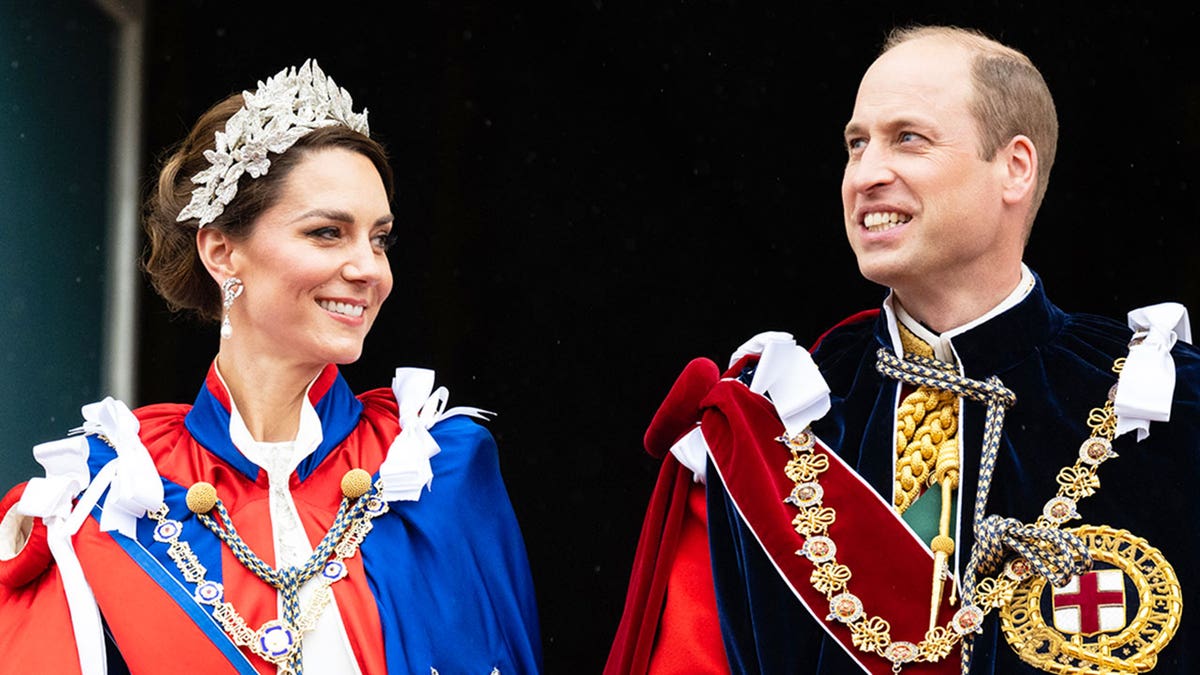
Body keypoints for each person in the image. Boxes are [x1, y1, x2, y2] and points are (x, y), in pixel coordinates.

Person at [606, 24, 1198, 674]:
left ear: (1014, 168)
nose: (866, 174)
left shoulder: (1171, 403)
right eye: (856, 145)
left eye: (906, 139)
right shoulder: (771, 422)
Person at [0, 60, 542, 674]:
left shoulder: (435, 466)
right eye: (328, 233)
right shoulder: (111, 494)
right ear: (222, 251)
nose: (370, 268)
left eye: (380, 238)